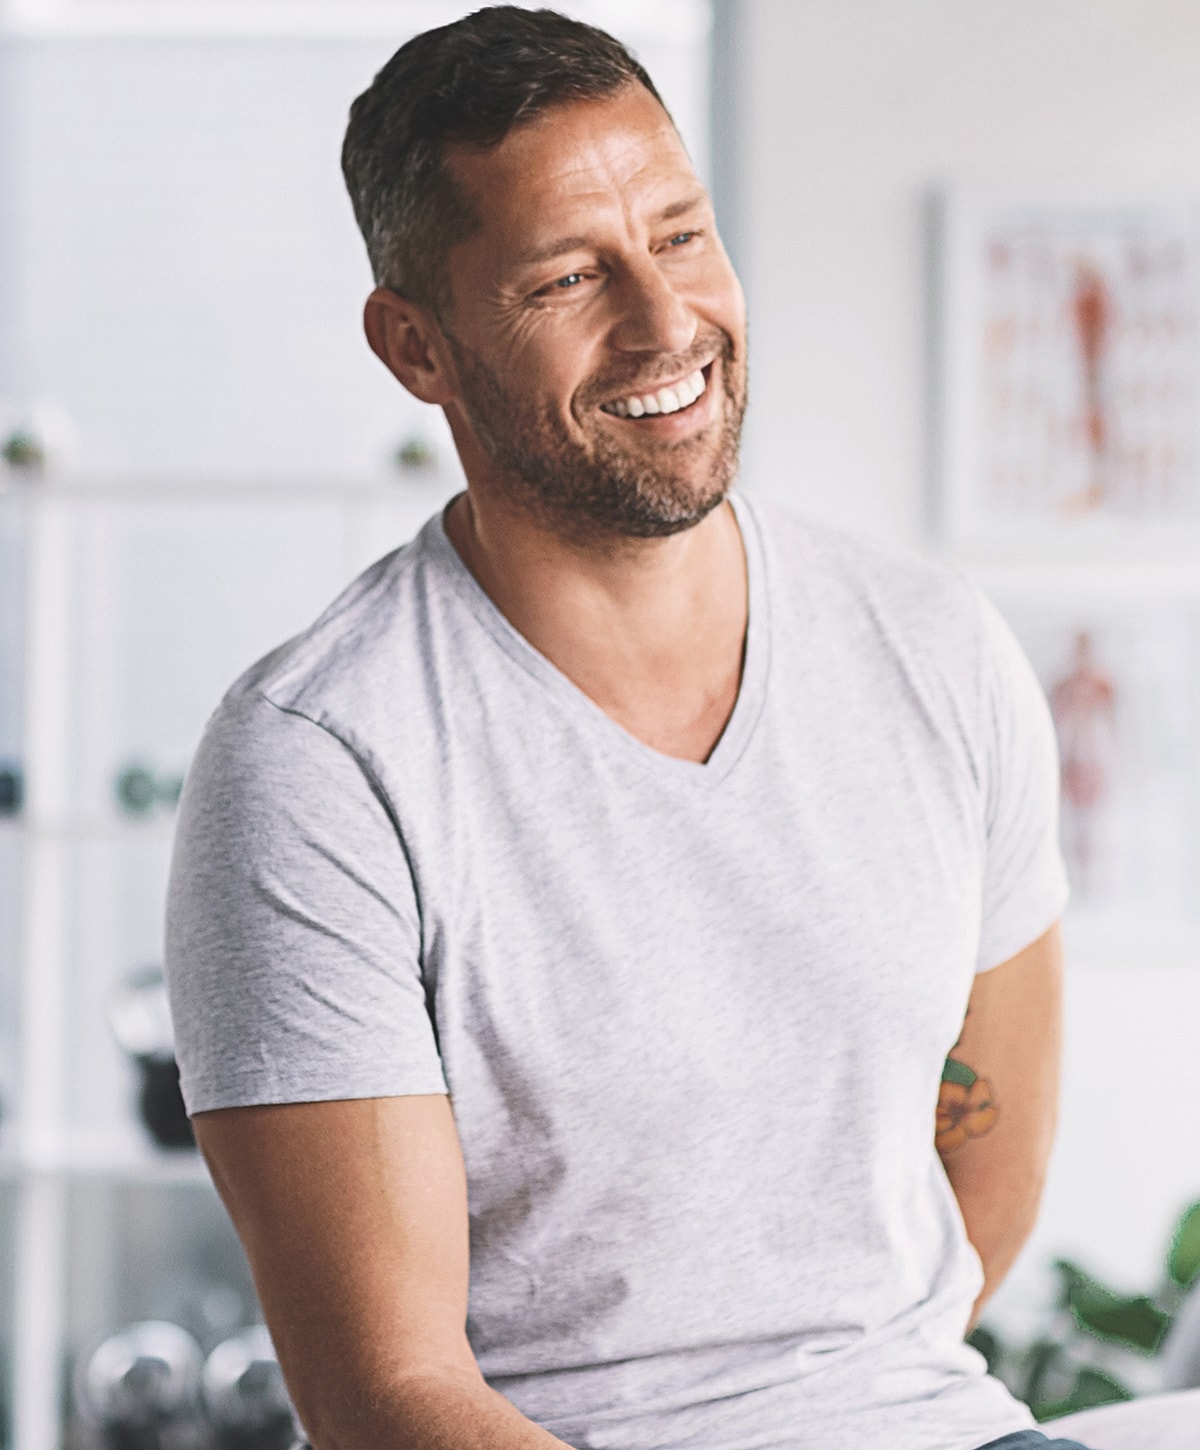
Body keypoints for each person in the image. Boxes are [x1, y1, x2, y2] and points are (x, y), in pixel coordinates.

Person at [165, 9, 1084, 1449]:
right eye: (568, 277)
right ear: (416, 347)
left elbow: (990, 1171)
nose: (665, 323)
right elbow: (384, 1393)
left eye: (681, 235)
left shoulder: (935, 647)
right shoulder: (318, 764)